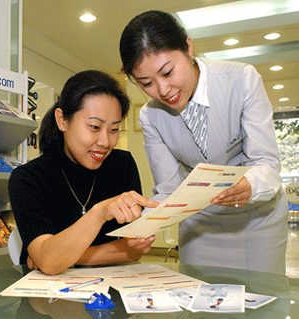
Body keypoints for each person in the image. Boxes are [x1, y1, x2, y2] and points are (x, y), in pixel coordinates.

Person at [119, 10, 288, 274]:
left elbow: (266, 163)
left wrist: (249, 184)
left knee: (261, 305)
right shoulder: (151, 116)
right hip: (200, 225)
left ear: (188, 48)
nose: (163, 91)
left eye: (168, 72)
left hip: (257, 220)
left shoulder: (241, 79)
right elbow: (169, 189)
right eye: (146, 83)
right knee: (199, 304)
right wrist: (142, 226)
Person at [8, 70, 158, 275]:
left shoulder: (122, 165)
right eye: (94, 127)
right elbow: (50, 263)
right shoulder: (28, 178)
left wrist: (60, 256)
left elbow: (133, 251)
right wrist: (99, 214)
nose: (105, 142)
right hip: (48, 301)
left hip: (111, 293)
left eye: (114, 129)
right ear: (62, 120)